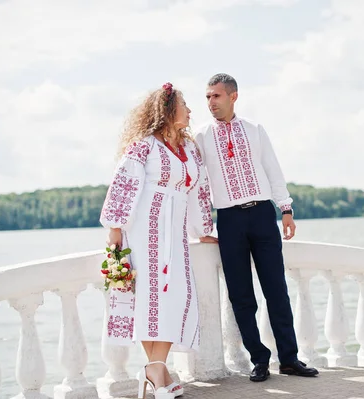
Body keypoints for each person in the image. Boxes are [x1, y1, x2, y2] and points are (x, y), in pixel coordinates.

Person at [195, 73, 319, 382]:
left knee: (276, 289)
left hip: (263, 215)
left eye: (216, 96)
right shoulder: (201, 137)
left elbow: (272, 169)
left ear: (233, 96)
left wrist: (285, 209)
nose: (211, 102)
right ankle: (259, 359)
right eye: (208, 97)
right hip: (229, 220)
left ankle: (289, 359)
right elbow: (199, 185)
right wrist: (201, 226)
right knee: (241, 296)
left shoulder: (255, 130)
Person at [100, 82, 217, 399]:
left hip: (175, 235)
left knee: (173, 297)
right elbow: (123, 185)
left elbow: (199, 192)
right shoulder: (144, 147)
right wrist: (114, 235)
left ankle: (155, 368)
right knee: (149, 299)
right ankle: (157, 370)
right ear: (168, 110)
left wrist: (202, 229)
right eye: (184, 104)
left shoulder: (190, 149)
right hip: (142, 232)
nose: (190, 110)